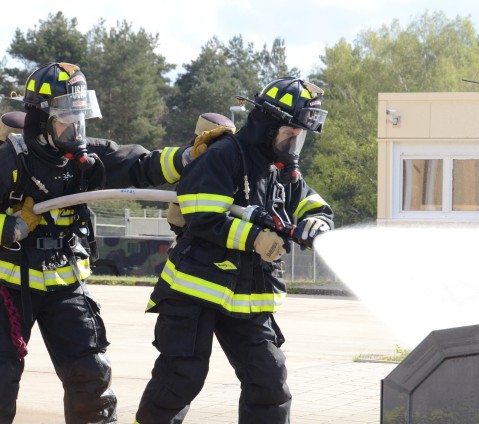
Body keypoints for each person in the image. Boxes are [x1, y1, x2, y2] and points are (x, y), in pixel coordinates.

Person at [0, 62, 198, 423]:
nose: (75, 127)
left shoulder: (84, 158)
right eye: (65, 117)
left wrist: (188, 157)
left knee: (91, 378)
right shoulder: (11, 159)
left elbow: (142, 165)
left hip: (65, 285)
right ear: (41, 119)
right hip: (9, 286)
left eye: (80, 116)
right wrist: (7, 228)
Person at [135, 77, 334, 424]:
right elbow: (202, 215)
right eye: (290, 132)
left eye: (299, 136)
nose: (293, 142)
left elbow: (310, 202)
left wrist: (318, 221)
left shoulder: (282, 169)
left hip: (246, 294)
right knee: (180, 378)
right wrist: (254, 238)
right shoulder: (224, 155)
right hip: (194, 291)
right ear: (267, 125)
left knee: (269, 382)